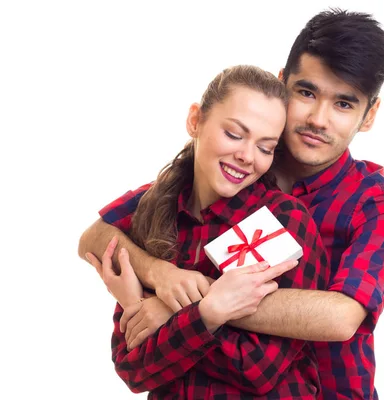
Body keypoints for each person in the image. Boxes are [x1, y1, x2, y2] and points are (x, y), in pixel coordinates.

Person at [80, 9, 384, 399]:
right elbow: (96, 236)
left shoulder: (373, 202)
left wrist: (183, 308)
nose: (319, 119)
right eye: (306, 92)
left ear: (369, 114)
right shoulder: (230, 175)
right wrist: (161, 275)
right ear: (281, 85)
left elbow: (340, 318)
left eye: (344, 104)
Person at [83, 64, 331, 399]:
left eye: (265, 147)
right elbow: (133, 370)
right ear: (195, 121)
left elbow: (258, 369)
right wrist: (158, 282)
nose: (246, 156)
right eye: (234, 134)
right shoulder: (154, 206)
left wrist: (173, 313)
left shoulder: (280, 220)